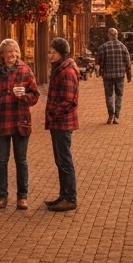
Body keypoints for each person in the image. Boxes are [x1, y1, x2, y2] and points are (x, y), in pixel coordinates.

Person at [0, 39, 39, 210]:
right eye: (9, 51)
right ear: (2, 55)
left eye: (15, 51)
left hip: (21, 121)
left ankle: (22, 197)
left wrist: (24, 97)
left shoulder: (26, 71)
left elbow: (35, 95)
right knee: (2, 160)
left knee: (21, 161)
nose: (13, 54)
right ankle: (1, 197)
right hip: (1, 121)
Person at [44, 37, 79, 212]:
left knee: (64, 160)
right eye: (49, 52)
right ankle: (64, 195)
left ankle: (70, 198)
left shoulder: (67, 72)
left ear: (62, 53)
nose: (50, 55)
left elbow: (69, 100)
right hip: (57, 122)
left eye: (53, 52)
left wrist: (53, 113)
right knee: (61, 160)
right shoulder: (59, 69)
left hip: (63, 123)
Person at [94, 28, 132, 124]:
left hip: (107, 75)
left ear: (108, 35)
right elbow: (127, 62)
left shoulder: (103, 47)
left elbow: (97, 61)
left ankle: (111, 113)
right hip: (120, 75)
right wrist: (129, 75)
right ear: (117, 35)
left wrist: (98, 71)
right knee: (119, 96)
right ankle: (116, 117)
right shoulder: (123, 47)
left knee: (109, 95)